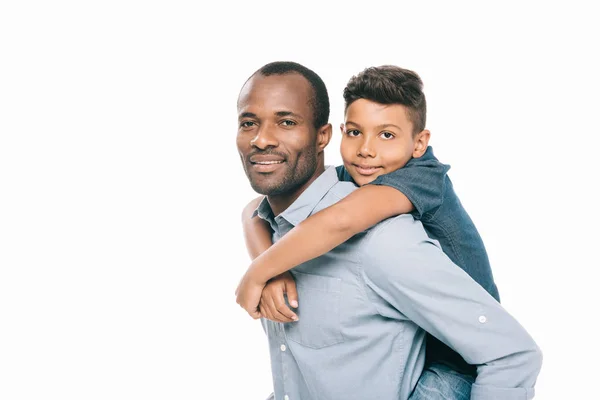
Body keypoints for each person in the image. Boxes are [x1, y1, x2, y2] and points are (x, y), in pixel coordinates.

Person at [236, 61, 542, 400]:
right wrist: (271, 267)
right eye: (355, 132)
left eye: (387, 135)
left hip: (456, 362)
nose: (367, 149)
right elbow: (253, 210)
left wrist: (259, 272)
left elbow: (342, 221)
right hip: (430, 337)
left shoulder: (417, 182)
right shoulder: (348, 180)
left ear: (419, 143)